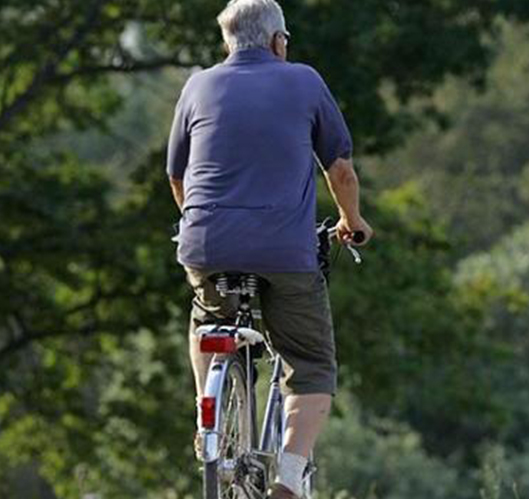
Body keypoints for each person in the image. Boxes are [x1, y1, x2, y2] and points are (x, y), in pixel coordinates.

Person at [165, 1, 373, 497]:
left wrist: (198, 219)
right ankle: (291, 476)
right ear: (279, 41)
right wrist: (352, 220)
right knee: (310, 363)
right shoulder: (303, 81)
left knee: (205, 320)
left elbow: (177, 175)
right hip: (284, 253)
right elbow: (339, 170)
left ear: (227, 43)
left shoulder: (198, 85)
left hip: (205, 246)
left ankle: (206, 415)